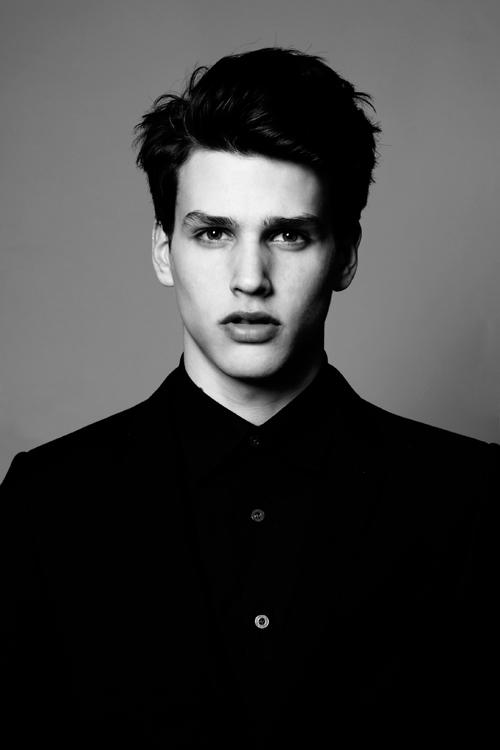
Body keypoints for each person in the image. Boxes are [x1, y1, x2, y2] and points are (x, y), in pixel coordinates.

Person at [1, 47, 497, 748]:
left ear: (345, 253)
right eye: (212, 233)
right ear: (163, 251)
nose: (250, 278)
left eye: (289, 234)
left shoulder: (471, 499)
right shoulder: (45, 502)